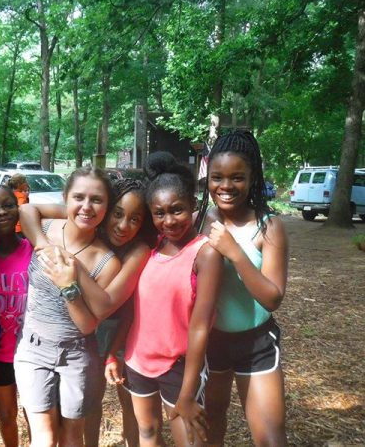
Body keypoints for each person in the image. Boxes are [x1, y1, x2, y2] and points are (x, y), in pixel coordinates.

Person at [21, 178, 157, 447]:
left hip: (122, 327)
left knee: (129, 402)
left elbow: (105, 306)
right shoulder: (92, 221)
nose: (123, 225)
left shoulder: (138, 250)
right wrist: (44, 244)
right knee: (88, 405)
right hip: (81, 327)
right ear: (107, 211)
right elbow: (27, 209)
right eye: (117, 214)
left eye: (134, 219)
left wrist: (71, 263)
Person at [117, 153, 223, 447]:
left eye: (177, 210)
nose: (169, 220)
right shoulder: (152, 246)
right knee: (148, 432)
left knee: (189, 441)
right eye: (159, 213)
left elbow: (200, 326)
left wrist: (187, 393)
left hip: (179, 366)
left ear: (192, 204)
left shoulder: (206, 254)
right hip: (138, 359)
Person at [14, 166, 121, 447]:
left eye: (96, 200)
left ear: (107, 207)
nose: (87, 206)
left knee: (73, 436)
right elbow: (26, 210)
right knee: (44, 438)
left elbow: (88, 325)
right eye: (79, 197)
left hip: (76, 354)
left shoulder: (107, 261)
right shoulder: (45, 228)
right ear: (65, 198)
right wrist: (44, 246)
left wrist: (69, 284)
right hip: (33, 350)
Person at [198, 131, 289, 447]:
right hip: (209, 341)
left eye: (237, 177)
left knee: (271, 437)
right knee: (211, 423)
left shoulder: (269, 226)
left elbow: (272, 297)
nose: (225, 186)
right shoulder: (197, 219)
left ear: (252, 179)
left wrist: (234, 252)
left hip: (256, 342)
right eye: (217, 177)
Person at [0, 184, 33, 447]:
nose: (1, 212)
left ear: (19, 208)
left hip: (33, 352)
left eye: (8, 205)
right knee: (6, 414)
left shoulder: (35, 249)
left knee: (34, 413)